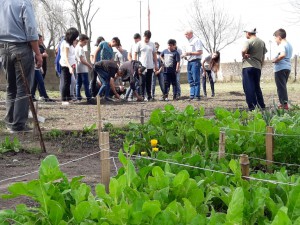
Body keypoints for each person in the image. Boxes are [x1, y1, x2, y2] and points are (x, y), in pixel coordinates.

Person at [0, 0, 42, 132]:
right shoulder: (23, 2)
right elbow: (30, 29)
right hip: (21, 47)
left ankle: (10, 122)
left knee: (11, 87)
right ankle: (18, 125)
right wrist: (37, 53)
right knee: (23, 88)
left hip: (3, 48)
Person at [242, 28, 267, 111]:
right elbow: (263, 57)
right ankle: (261, 105)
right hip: (257, 67)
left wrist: (243, 55)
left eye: (245, 32)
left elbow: (243, 50)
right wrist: (260, 65)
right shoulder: (262, 42)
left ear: (248, 33)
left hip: (248, 66)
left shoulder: (248, 42)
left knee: (248, 87)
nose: (245, 34)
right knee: (256, 87)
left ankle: (252, 107)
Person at [134, 30, 158, 101]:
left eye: (148, 38)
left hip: (150, 65)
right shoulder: (139, 44)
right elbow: (135, 54)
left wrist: (155, 64)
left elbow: (154, 54)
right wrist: (136, 64)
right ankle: (142, 95)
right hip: (142, 66)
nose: (147, 40)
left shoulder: (152, 44)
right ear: (144, 36)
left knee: (149, 81)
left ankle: (149, 96)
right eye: (146, 38)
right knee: (142, 82)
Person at [272, 29, 293, 110]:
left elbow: (282, 55)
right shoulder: (289, 45)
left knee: (280, 87)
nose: (275, 40)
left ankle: (284, 104)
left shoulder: (282, 45)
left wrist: (275, 60)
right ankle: (283, 103)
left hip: (280, 68)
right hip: (287, 67)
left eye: (275, 38)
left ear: (279, 37)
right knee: (283, 86)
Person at [59, 27, 79, 102]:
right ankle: (64, 100)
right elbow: (65, 57)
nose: (75, 38)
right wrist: (70, 67)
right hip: (65, 65)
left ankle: (68, 98)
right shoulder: (66, 44)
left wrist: (72, 66)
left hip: (70, 65)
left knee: (69, 82)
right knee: (66, 82)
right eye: (75, 37)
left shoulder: (70, 44)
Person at [183, 29, 203, 101]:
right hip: (189, 62)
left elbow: (200, 52)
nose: (185, 36)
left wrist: (189, 53)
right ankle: (192, 95)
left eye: (186, 34)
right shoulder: (187, 42)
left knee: (196, 79)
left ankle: (197, 95)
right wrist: (185, 56)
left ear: (191, 33)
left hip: (195, 62)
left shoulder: (196, 40)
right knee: (190, 79)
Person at [75, 34, 93, 103]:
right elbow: (82, 60)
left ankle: (78, 97)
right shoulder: (80, 48)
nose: (85, 44)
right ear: (80, 41)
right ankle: (88, 97)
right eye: (85, 42)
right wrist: (89, 65)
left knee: (78, 83)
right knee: (86, 83)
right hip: (83, 68)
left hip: (78, 68)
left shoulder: (76, 47)